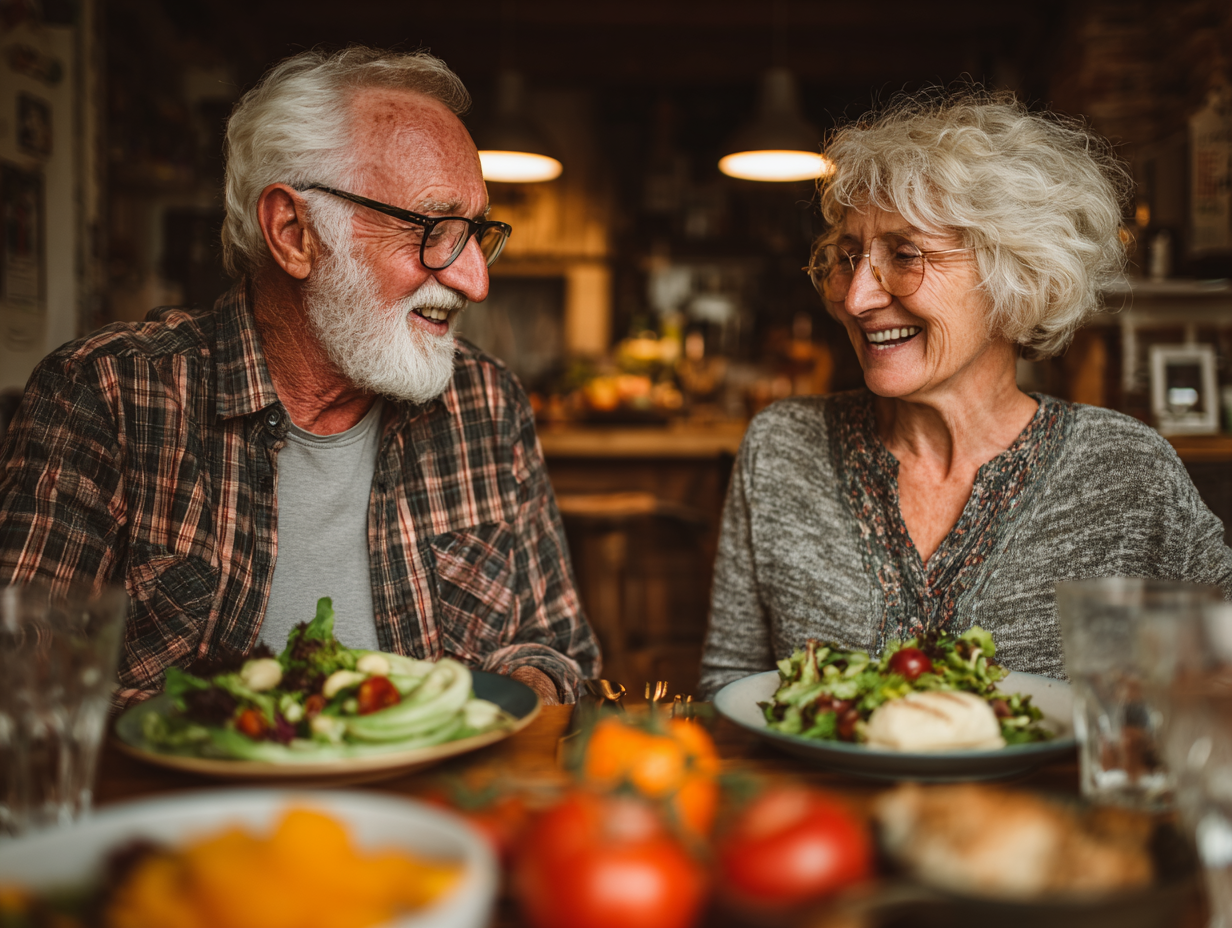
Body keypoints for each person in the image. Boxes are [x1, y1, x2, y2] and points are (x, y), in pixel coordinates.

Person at [0, 47, 599, 707]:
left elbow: (559, 646)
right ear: (293, 232)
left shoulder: (486, 401)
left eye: (477, 234)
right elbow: (23, 693)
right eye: (433, 229)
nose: (474, 280)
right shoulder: (109, 395)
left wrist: (513, 694)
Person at [700, 91, 1232, 696]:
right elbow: (732, 693)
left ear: (1017, 277)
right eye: (847, 257)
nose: (855, 298)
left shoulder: (1125, 474)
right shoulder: (781, 449)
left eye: (904, 255)